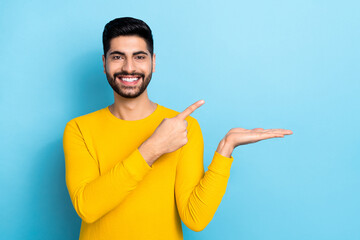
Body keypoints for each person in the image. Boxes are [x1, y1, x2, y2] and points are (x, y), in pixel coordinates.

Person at [63, 17, 292, 240]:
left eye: (139, 57)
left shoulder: (183, 127)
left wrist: (225, 149)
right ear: (104, 63)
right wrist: (153, 148)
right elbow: (88, 208)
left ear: (153, 61)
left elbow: (195, 218)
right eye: (118, 57)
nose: (129, 67)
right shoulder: (79, 129)